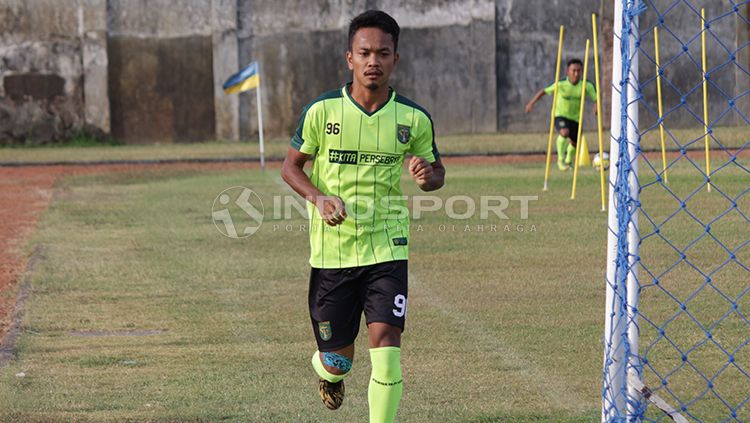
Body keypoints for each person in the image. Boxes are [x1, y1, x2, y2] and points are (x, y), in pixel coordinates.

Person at [280, 9, 445, 423]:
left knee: (387, 346)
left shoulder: (413, 118)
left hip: (388, 246)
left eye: (383, 53)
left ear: (395, 59)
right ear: (349, 58)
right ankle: (329, 374)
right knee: (337, 360)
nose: (374, 61)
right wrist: (319, 198)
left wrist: (428, 177)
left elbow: (436, 172)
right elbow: (290, 168)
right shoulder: (321, 112)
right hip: (333, 253)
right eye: (365, 52)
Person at [525, 58, 597, 170]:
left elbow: (596, 98)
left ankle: (568, 161)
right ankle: (560, 160)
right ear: (568, 71)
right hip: (560, 115)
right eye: (573, 70)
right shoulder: (561, 84)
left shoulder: (587, 85)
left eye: (579, 71)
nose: (576, 73)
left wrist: (596, 106)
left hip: (576, 118)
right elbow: (544, 91)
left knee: (575, 141)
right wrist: (531, 103)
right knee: (564, 132)